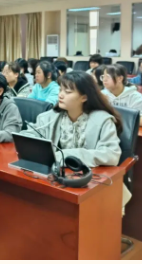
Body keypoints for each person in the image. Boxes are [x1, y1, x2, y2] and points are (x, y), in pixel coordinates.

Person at [21, 71, 130, 210]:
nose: (61, 95)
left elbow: (111, 154)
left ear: (84, 97)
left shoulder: (103, 120)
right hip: (57, 180)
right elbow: (28, 136)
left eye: (67, 92)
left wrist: (66, 155)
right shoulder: (50, 117)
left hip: (93, 183)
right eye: (60, 90)